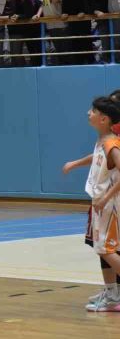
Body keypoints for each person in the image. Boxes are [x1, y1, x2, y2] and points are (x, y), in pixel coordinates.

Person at [62, 97, 120, 312]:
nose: (88, 113)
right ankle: (113, 295)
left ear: (104, 119)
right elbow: (96, 157)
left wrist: (106, 197)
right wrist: (75, 164)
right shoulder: (103, 141)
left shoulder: (112, 143)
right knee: (104, 248)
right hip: (101, 202)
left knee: (106, 249)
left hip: (110, 203)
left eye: (93, 110)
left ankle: (114, 294)